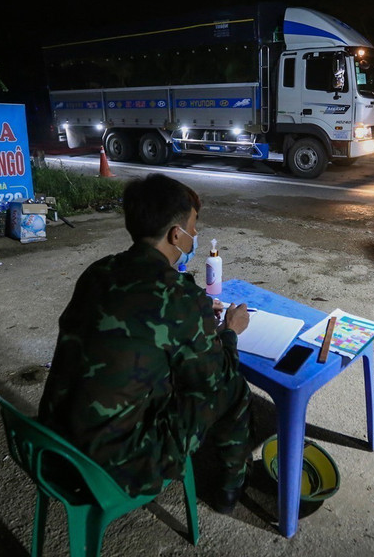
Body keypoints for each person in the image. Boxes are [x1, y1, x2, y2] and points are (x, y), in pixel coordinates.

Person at [38, 173, 254, 514]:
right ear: (175, 234)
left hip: (49, 447)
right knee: (234, 389)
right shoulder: (178, 295)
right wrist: (230, 330)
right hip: (108, 470)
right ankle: (230, 492)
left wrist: (191, 312)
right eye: (193, 228)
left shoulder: (98, 271)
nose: (195, 236)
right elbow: (216, 377)